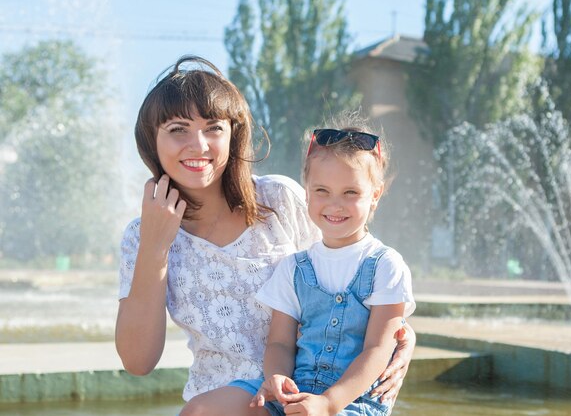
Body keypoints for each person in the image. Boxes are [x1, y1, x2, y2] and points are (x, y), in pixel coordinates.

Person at [115, 55, 415, 409]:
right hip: (219, 404)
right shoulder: (141, 235)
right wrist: (155, 246)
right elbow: (138, 362)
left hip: (308, 394)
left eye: (213, 127)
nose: (198, 145)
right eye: (178, 129)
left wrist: (400, 333)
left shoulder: (278, 199)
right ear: (152, 141)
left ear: (233, 134)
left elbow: (347, 277)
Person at [180, 115, 415, 416]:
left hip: (352, 402)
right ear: (306, 192)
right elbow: (279, 342)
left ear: (375, 195)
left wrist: (329, 403)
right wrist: (276, 377)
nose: (335, 204)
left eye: (351, 192)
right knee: (200, 410)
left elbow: (377, 350)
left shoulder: (386, 266)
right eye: (322, 191)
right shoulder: (294, 267)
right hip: (295, 390)